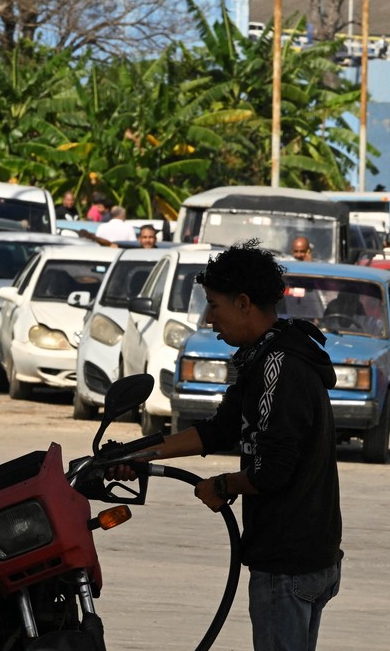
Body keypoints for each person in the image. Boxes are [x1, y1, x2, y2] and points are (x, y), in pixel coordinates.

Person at [110, 240, 342, 650]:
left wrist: (222, 486)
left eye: (213, 306)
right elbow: (219, 430)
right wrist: (139, 454)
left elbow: (272, 471)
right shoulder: (267, 355)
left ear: (243, 303)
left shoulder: (279, 366)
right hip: (307, 557)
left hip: (288, 561)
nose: (208, 318)